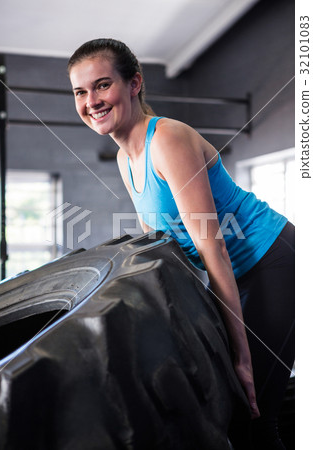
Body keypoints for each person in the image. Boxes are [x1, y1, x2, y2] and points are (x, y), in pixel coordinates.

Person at [68, 38, 295, 449]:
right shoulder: (125, 158)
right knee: (230, 413)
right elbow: (164, 245)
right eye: (81, 92)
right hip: (234, 274)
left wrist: (241, 359)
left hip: (272, 260)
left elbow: (213, 247)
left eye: (102, 85)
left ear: (134, 83)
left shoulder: (167, 140)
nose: (91, 101)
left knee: (253, 415)